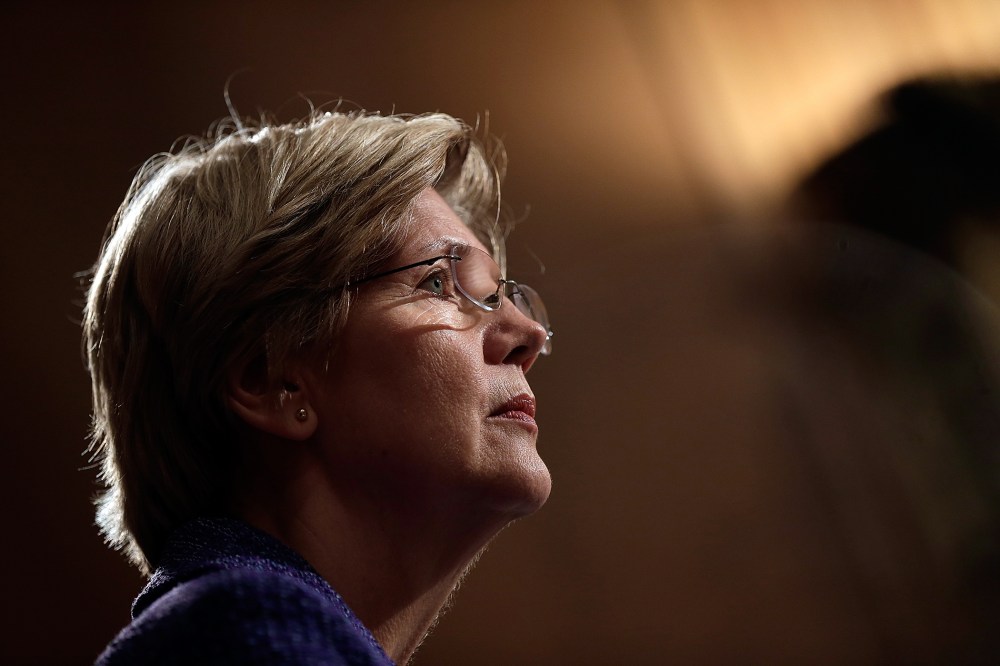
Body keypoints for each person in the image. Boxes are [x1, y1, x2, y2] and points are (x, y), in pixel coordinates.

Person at [82, 109, 554, 665]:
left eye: (500, 294)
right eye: (438, 283)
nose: (527, 334)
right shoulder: (244, 629)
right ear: (272, 380)